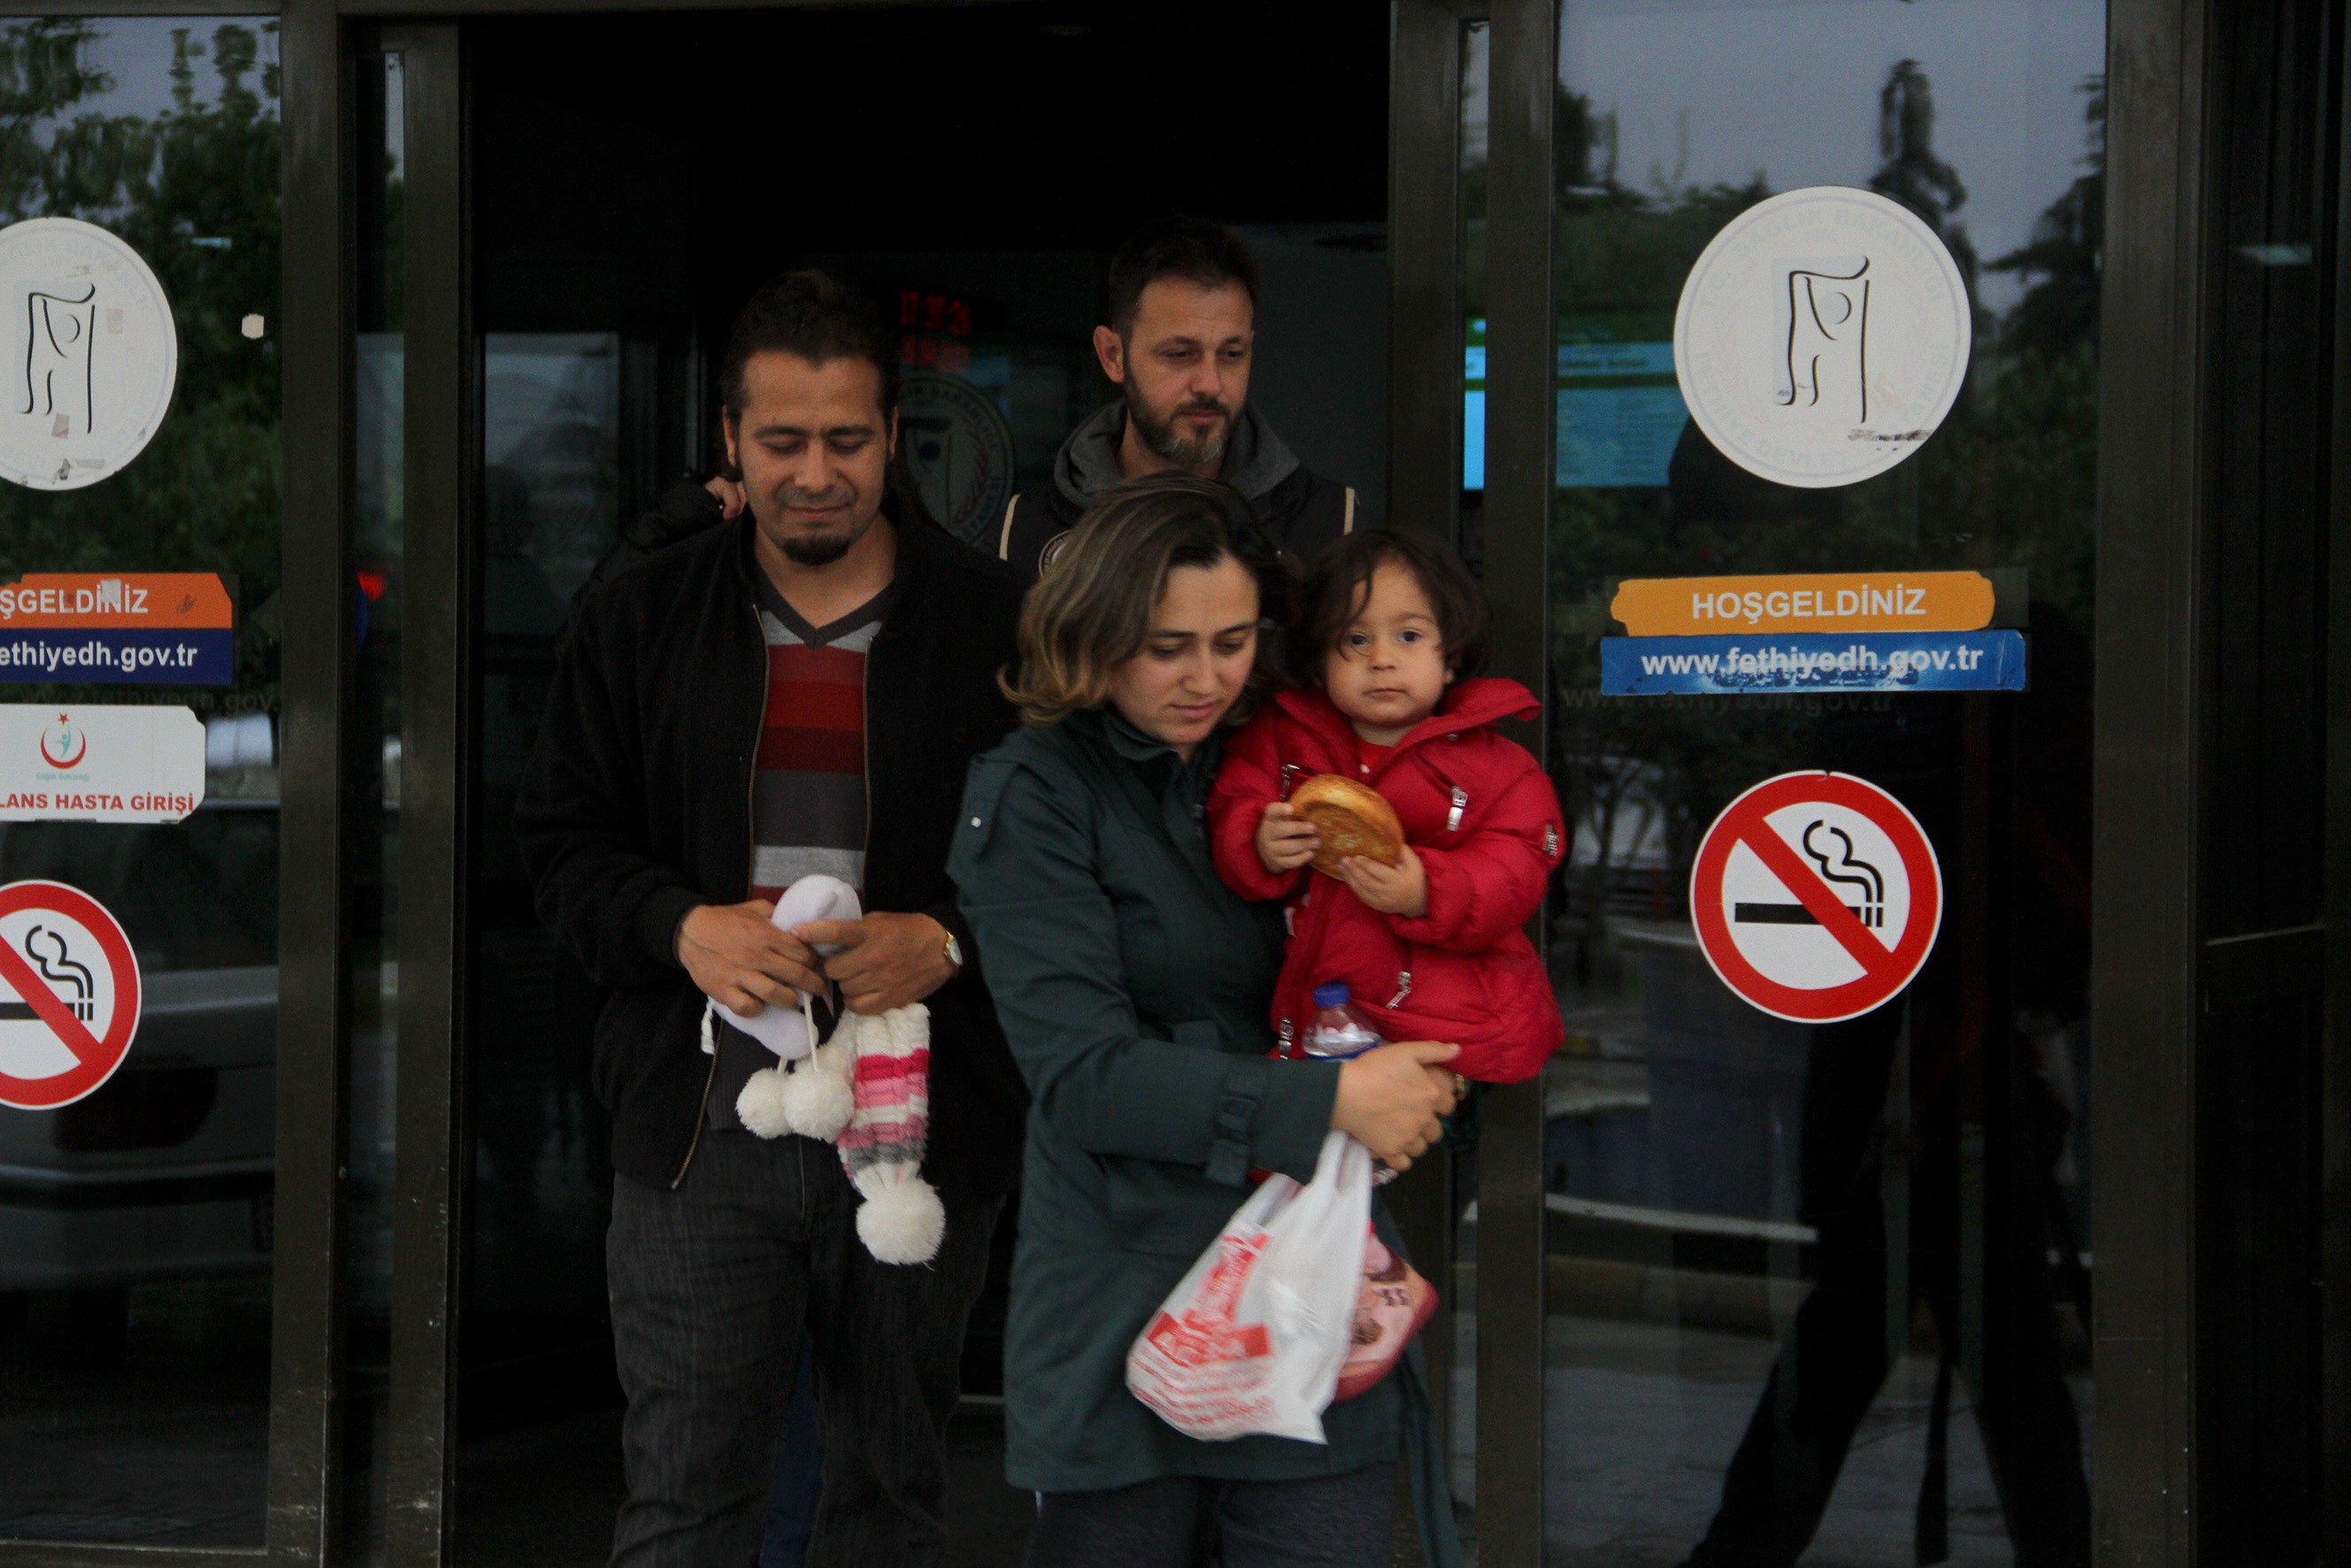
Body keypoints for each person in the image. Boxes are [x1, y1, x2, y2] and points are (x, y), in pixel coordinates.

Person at [514, 270, 1029, 1568]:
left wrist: (951, 938)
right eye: (784, 441)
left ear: (891, 437)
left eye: (846, 440)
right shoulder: (638, 616)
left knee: (891, 1502)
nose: (816, 472)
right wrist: (677, 925)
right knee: (684, 1507)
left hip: (919, 1129)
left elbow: (1067, 866)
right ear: (732, 440)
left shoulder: (997, 625)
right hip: (698, 1140)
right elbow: (560, 847)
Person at [947, 474, 1463, 1568]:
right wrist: (1330, 1099)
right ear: (1092, 634)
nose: (1203, 678)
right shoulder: (1037, 788)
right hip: (1126, 1289)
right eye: (1165, 645)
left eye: (1231, 642)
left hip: (1311, 1277)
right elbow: (1082, 1074)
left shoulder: (1289, 752)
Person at [1206, 528, 1566, 1084]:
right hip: (1315, 1014)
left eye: (1409, 636)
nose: (1381, 660)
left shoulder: (1498, 766)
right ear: (1319, 659)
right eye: (1354, 639)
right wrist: (1257, 840)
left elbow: (1518, 862)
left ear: (1452, 657)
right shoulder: (1282, 737)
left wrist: (1429, 890)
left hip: (1437, 1020)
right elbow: (1234, 797)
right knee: (1305, 1152)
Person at [995, 217, 1358, 582]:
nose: (1210, 384)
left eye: (1232, 354)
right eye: (1180, 354)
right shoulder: (1029, 528)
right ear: (1113, 356)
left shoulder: (1324, 522)